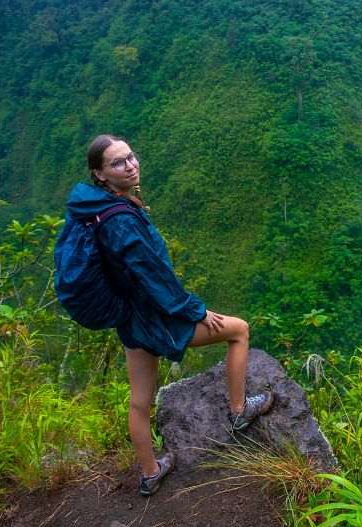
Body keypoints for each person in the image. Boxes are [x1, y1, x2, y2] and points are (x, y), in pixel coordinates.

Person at [65, 134, 274, 497]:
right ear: (99, 174)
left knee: (139, 401)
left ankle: (150, 473)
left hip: (131, 318)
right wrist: (194, 309)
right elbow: (153, 276)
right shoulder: (121, 221)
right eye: (118, 163)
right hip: (157, 315)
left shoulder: (96, 208)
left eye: (131, 157)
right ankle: (238, 411)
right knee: (239, 331)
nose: (130, 165)